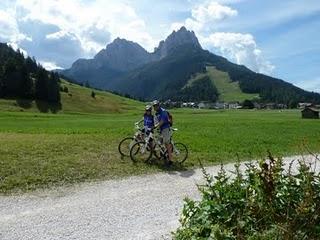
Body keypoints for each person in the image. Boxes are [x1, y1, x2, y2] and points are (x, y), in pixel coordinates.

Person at [152, 100, 173, 165]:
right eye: (154, 106)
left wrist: (155, 126)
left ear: (159, 105)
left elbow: (162, 122)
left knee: (167, 143)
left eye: (156, 106)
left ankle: (170, 160)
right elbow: (156, 121)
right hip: (161, 129)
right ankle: (163, 155)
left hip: (165, 128)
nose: (155, 107)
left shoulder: (163, 111)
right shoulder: (156, 113)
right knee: (160, 142)